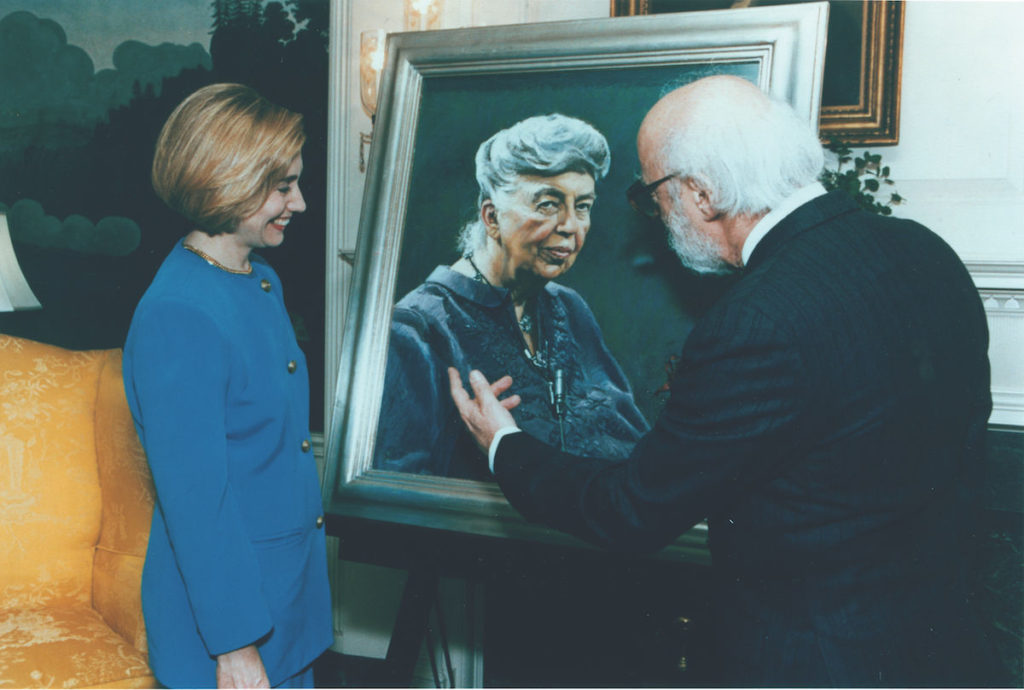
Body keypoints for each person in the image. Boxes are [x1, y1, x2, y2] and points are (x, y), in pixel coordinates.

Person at [449, 76, 1000, 687]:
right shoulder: (926, 251)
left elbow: (633, 510)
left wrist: (504, 444)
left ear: (702, 194)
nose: (654, 214)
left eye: (651, 194)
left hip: (815, 664)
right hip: (943, 650)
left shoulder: (755, 322)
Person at [123, 84, 332, 688]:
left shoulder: (256, 277)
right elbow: (196, 502)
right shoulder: (178, 314)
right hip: (229, 631)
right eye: (283, 186)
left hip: (285, 606)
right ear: (227, 179)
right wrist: (235, 646)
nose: (301, 202)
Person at [374, 113, 648, 479]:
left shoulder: (569, 308)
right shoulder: (415, 329)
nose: (570, 226)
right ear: (491, 218)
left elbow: (629, 438)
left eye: (582, 206)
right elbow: (397, 492)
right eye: (548, 204)